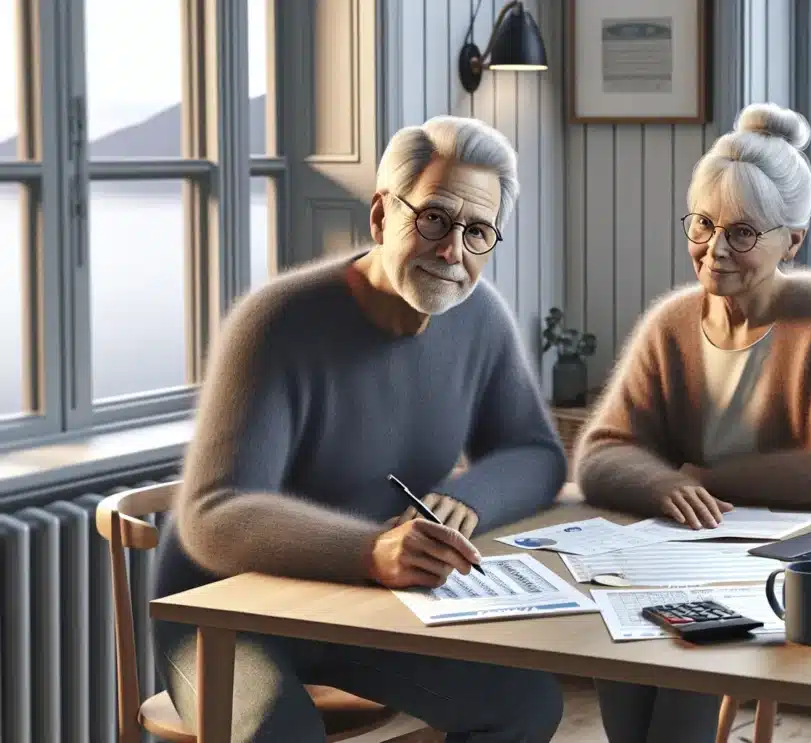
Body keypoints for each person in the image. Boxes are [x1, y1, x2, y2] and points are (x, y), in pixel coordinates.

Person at [151, 115, 569, 743]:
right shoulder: (276, 321)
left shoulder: (479, 316)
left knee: (525, 704)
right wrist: (369, 551)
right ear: (381, 217)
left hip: (365, 608)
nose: (452, 252)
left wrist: (467, 499)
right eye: (433, 219)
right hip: (225, 611)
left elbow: (534, 452)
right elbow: (215, 513)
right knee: (279, 731)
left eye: (477, 231)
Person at [573, 102, 811, 743]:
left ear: (792, 241)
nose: (715, 250)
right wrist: (662, 486)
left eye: (743, 233)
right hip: (676, 553)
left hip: (782, 567)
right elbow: (603, 452)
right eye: (702, 224)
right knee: (621, 658)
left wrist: (703, 476)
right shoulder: (672, 322)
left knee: (678, 695)